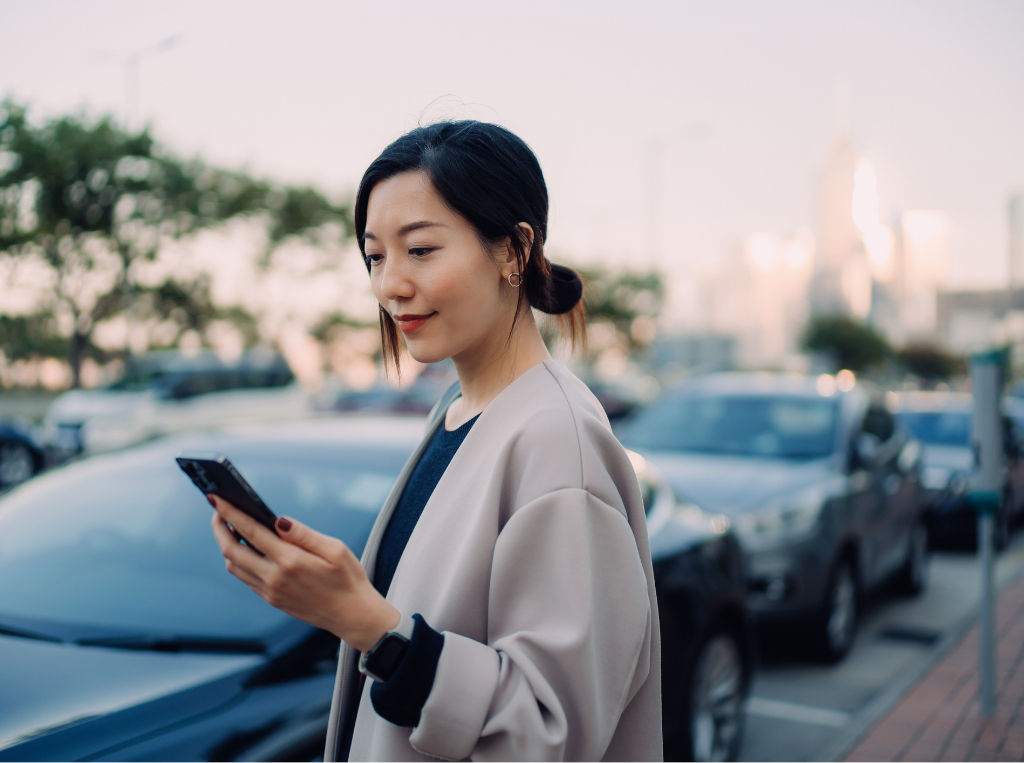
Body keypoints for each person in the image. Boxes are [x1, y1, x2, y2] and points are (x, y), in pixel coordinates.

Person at [209, 120, 662, 761]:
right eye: (375, 256)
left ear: (512, 250)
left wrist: (368, 625)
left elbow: (548, 733)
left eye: (420, 250)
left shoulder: (559, 442)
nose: (389, 284)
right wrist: (336, 599)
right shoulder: (459, 410)